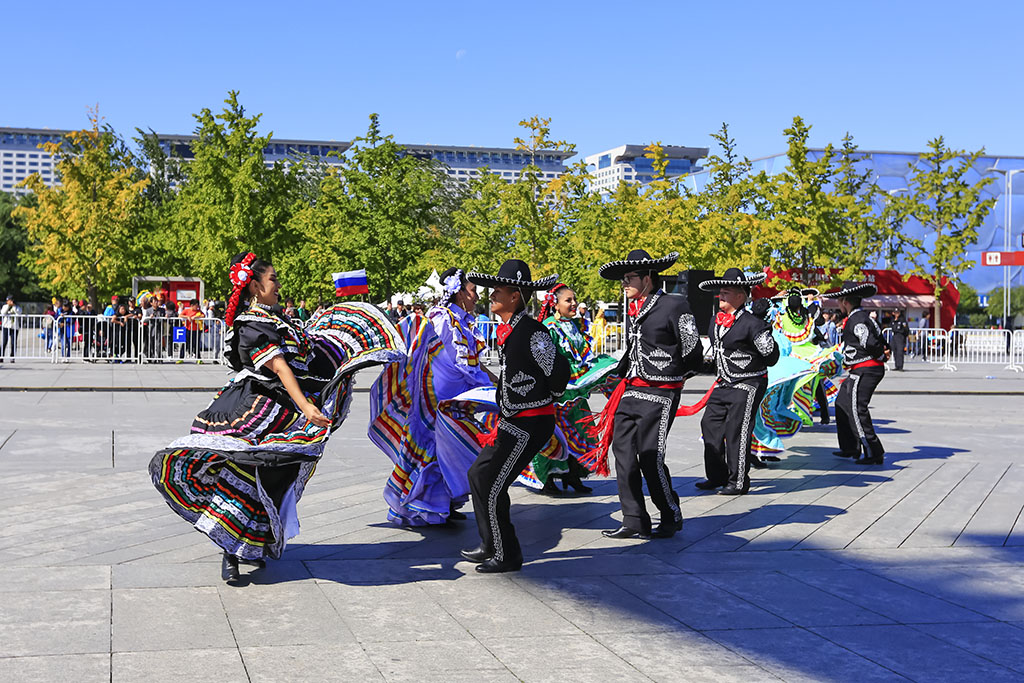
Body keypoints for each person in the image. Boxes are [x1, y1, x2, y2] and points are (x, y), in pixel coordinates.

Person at [149, 252, 406, 585]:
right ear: (255, 286)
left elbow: (310, 352)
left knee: (270, 476)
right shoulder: (252, 324)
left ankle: (252, 543)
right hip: (253, 410)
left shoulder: (276, 318)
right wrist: (307, 407)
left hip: (280, 410)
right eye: (273, 279)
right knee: (240, 471)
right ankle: (228, 551)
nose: (279, 285)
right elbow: (280, 367)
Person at [459, 259, 569, 573]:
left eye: (498, 290)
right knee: (478, 474)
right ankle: (490, 543)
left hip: (530, 423)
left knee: (493, 482)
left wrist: (549, 399)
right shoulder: (515, 330)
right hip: (514, 422)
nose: (491, 295)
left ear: (515, 296)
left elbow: (558, 370)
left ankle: (507, 554)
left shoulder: (533, 332)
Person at [588, 250, 703, 539]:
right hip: (631, 390)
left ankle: (669, 513)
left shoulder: (675, 305)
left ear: (648, 278)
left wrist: (674, 377)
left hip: (661, 393)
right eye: (623, 279)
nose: (624, 283)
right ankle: (634, 519)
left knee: (650, 456)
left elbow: (693, 352)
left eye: (629, 278)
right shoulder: (635, 308)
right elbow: (635, 349)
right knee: (622, 453)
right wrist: (614, 374)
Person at [369, 267, 493, 526]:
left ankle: (444, 502)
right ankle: (421, 505)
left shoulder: (466, 321)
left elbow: (472, 362)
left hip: (456, 396)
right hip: (435, 397)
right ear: (458, 292)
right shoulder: (441, 318)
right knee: (434, 446)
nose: (477, 297)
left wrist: (494, 381)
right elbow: (423, 353)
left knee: (450, 448)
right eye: (473, 291)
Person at [524, 283, 619, 495]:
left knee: (583, 429)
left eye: (574, 299)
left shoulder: (574, 325)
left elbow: (582, 356)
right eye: (569, 300)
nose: (574, 303)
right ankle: (546, 479)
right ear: (555, 305)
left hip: (575, 391)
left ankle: (573, 475)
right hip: (556, 391)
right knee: (553, 434)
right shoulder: (548, 327)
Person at [696, 268, 780, 495]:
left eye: (726, 292)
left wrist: (765, 335)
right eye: (720, 292)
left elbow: (771, 357)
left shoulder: (754, 324)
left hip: (748, 383)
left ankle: (738, 481)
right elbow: (715, 355)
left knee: (737, 429)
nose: (720, 296)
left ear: (741, 296)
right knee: (709, 426)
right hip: (724, 383)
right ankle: (716, 476)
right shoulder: (715, 320)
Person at [825, 282, 888, 465]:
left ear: (845, 301)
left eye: (839, 301)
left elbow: (869, 341)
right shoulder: (863, 317)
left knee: (857, 408)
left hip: (865, 369)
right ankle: (849, 446)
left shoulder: (858, 319)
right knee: (842, 402)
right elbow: (880, 339)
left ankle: (873, 450)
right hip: (860, 368)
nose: (838, 305)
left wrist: (880, 355)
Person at [1, 294, 22, 363]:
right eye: (8, 301)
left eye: (10, 300)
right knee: (4, 342)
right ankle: (1, 356)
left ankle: (12, 357)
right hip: (6, 326)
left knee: (13, 343)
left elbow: (19, 313)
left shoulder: (17, 307)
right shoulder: (5, 306)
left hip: (14, 327)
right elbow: (3, 313)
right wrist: (8, 306)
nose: (9, 302)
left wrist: (14, 306)